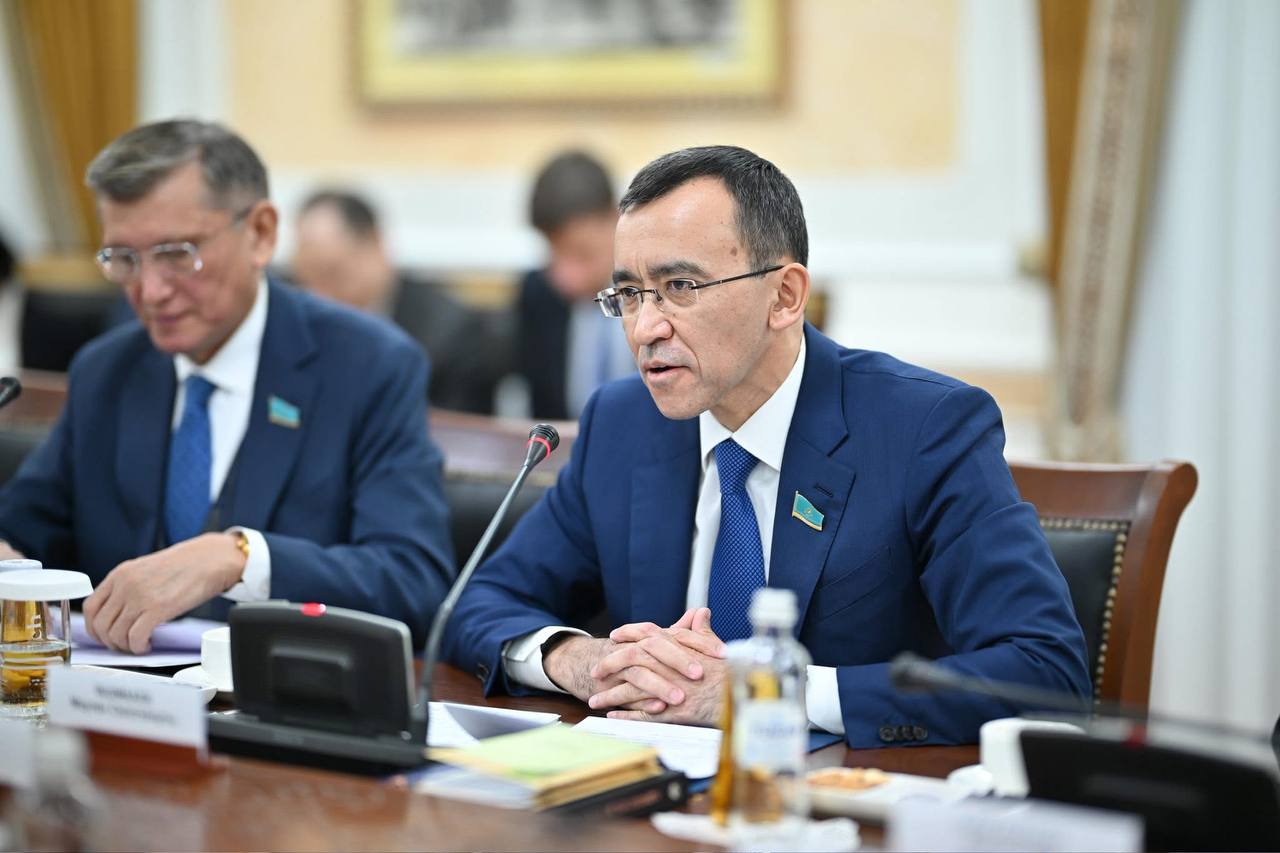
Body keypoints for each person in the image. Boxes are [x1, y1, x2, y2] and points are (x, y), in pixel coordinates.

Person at [444, 145, 1090, 746]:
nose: (645, 328)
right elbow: (475, 603)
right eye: (630, 294)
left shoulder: (924, 428)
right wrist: (580, 659)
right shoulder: (623, 424)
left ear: (784, 296)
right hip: (647, 794)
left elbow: (1044, 671)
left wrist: (767, 691)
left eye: (680, 287)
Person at [0, 120, 454, 652]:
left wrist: (239, 557)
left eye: (176, 253)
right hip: (115, 691)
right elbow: (22, 534)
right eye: (124, 259)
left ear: (260, 233)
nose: (150, 290)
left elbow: (412, 581)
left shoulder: (368, 365)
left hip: (280, 694)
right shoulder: (107, 371)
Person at [290, 190, 509, 414]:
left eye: (332, 273)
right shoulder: (291, 321)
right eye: (306, 279)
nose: (318, 294)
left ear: (375, 244)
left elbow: (457, 429)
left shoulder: (450, 332)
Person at [515, 151, 634, 420]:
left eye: (581, 254)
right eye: (553, 253)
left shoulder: (658, 293)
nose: (565, 278)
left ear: (616, 218)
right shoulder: (539, 294)